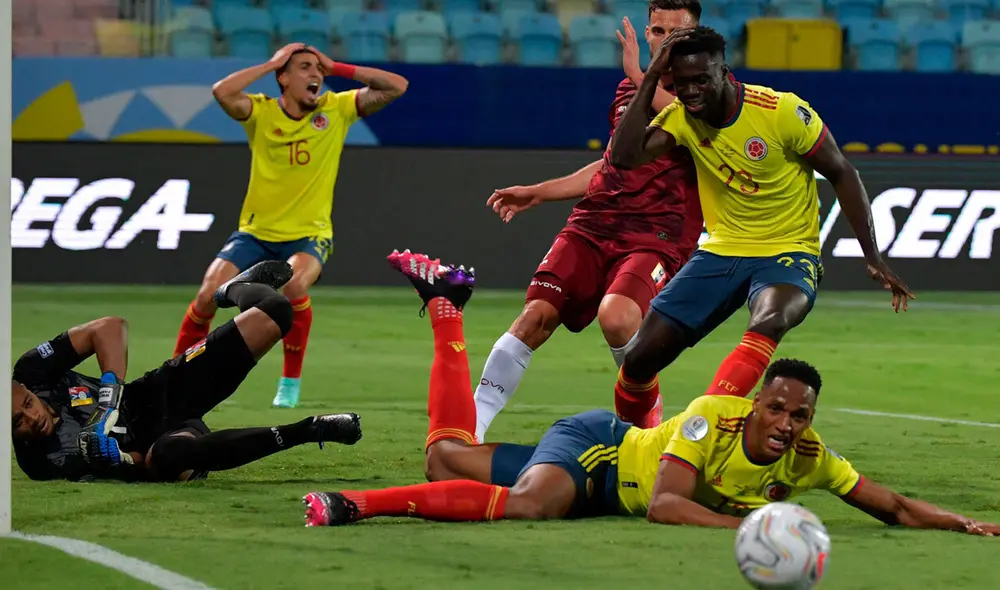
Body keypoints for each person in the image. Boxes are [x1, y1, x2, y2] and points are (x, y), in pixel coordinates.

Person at [302, 251, 997, 538]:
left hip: (601, 484)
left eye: (799, 415)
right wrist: (752, 529)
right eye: (776, 407)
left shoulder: (809, 457)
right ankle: (353, 504)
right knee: (533, 506)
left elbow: (892, 504)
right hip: (600, 451)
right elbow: (665, 503)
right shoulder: (711, 420)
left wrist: (964, 524)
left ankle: (448, 309)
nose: (785, 423)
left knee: (445, 459)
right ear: (754, 403)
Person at [606, 26, 914, 425]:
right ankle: (635, 447)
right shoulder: (680, 117)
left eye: (702, 79)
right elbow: (623, 158)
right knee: (637, 361)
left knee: (769, 319)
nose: (692, 91)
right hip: (722, 250)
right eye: (682, 83)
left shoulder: (781, 111)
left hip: (788, 251)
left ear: (725, 73)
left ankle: (701, 431)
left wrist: (872, 256)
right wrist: (649, 77)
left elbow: (842, 171)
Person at [473, 0, 704, 440]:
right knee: (533, 317)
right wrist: (539, 191)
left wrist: (642, 73)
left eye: (677, 33)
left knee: (617, 318)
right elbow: (611, 164)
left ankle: (643, 420)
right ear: (646, 31)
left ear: (695, 37)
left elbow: (690, 123)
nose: (665, 41)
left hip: (656, 235)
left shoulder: (712, 91)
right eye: (657, 30)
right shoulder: (627, 91)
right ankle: (471, 428)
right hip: (595, 223)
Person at [173, 43, 409, 409]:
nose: (315, 75)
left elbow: (397, 86)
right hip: (254, 233)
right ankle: (176, 375)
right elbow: (222, 91)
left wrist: (337, 67)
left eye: (318, 69)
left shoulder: (337, 108)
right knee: (206, 296)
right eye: (303, 68)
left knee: (294, 283)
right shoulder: (261, 113)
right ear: (282, 77)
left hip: (309, 234)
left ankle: (290, 381)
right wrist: (269, 62)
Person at [12, 261, 362, 483]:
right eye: (17, 422)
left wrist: (108, 400)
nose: (32, 416)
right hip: (158, 447)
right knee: (168, 458)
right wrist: (118, 460)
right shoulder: (44, 461)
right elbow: (141, 467)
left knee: (276, 311)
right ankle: (310, 429)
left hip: (153, 395)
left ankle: (229, 290)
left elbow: (109, 328)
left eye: (27, 403)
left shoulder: (32, 371)